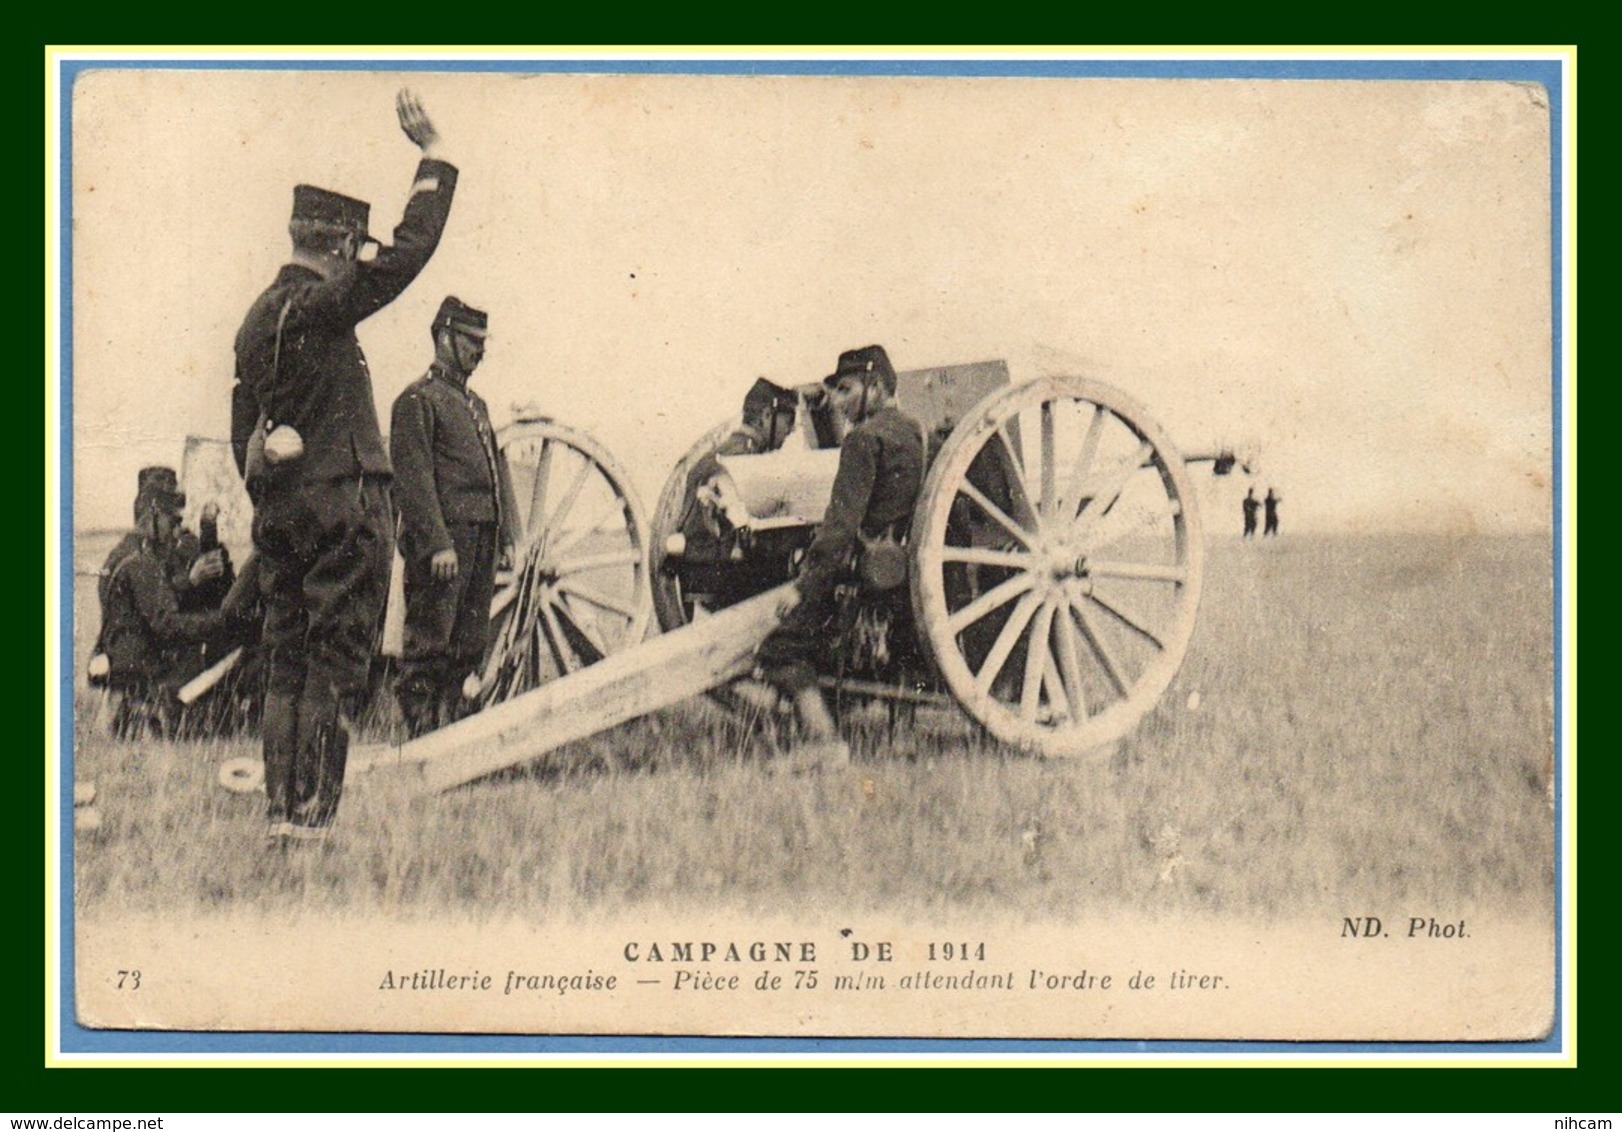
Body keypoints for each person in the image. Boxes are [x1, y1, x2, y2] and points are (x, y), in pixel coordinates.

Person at [231, 89, 458, 845]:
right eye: (352, 251)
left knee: (286, 663)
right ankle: (314, 820)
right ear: (336, 247)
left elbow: (246, 429)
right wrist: (432, 161)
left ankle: (281, 814)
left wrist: (266, 475)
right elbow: (405, 259)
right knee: (334, 663)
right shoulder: (322, 307)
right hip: (343, 511)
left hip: (284, 514)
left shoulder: (255, 321)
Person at [755, 345, 924, 771]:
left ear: (876, 386)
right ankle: (901, 735)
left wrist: (803, 588)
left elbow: (840, 527)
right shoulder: (913, 432)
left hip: (864, 584)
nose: (841, 401)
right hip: (904, 581)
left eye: (847, 390)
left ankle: (824, 743)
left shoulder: (863, 440)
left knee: (781, 647)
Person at [389, 297, 518, 737]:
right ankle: (422, 738)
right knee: (430, 641)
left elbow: (497, 471)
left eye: (482, 343)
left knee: (468, 644)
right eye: (470, 341)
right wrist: (436, 544)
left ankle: (452, 734)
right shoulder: (416, 401)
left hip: (481, 538)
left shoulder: (476, 405)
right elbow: (415, 481)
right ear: (444, 337)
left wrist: (507, 537)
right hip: (446, 545)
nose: (479, 351)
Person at [91, 470, 234, 738]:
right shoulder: (141, 563)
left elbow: (148, 602)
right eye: (172, 519)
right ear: (154, 514)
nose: (175, 529)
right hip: (143, 668)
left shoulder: (121, 554)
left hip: (122, 662)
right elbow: (168, 624)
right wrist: (224, 620)